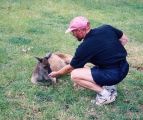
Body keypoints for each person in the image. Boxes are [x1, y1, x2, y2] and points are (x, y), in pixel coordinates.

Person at [49, 16, 129, 105]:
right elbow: (124, 39)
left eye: (73, 32)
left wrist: (57, 73)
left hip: (114, 75)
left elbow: (70, 67)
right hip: (124, 67)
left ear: (79, 30)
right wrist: (113, 53)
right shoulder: (107, 28)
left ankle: (105, 95)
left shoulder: (85, 47)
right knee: (96, 68)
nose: (73, 35)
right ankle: (110, 86)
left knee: (75, 75)